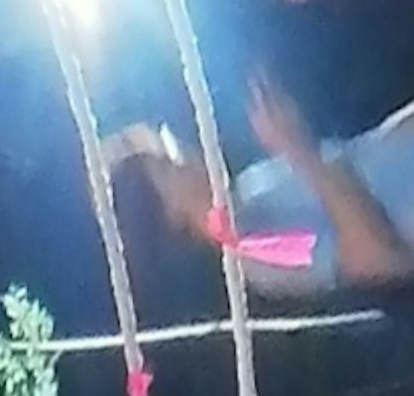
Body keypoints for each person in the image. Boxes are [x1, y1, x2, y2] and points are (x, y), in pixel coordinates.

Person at [112, 73, 414, 296]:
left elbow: (370, 159)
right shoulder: (258, 253)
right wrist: (298, 148)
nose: (183, 153)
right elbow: (380, 258)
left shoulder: (250, 186)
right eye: (167, 166)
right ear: (172, 217)